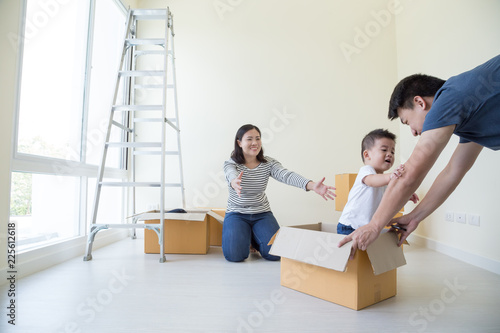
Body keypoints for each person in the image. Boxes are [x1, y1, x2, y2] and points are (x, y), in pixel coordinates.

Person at [339, 54, 500, 256]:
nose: (414, 132)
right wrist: (415, 216)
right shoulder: (468, 120)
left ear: (420, 102)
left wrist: (374, 226)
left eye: (407, 122)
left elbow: (411, 172)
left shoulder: (449, 97)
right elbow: (453, 172)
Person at [223, 124, 336, 262]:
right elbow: (230, 174)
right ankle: (247, 236)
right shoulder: (231, 163)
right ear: (239, 142)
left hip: (261, 214)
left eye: (258, 138)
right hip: (237, 214)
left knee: (276, 254)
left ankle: (255, 238)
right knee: (235, 256)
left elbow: (286, 175)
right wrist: (234, 181)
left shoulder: (268, 163)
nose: (255, 143)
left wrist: (311, 185)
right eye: (249, 139)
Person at [337, 129, 418, 235]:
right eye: (384, 150)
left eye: (392, 152)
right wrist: (391, 177)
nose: (389, 154)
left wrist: (406, 197)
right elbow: (371, 181)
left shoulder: (384, 180)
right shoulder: (366, 171)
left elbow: (391, 199)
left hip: (367, 228)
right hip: (350, 225)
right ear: (367, 155)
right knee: (351, 251)